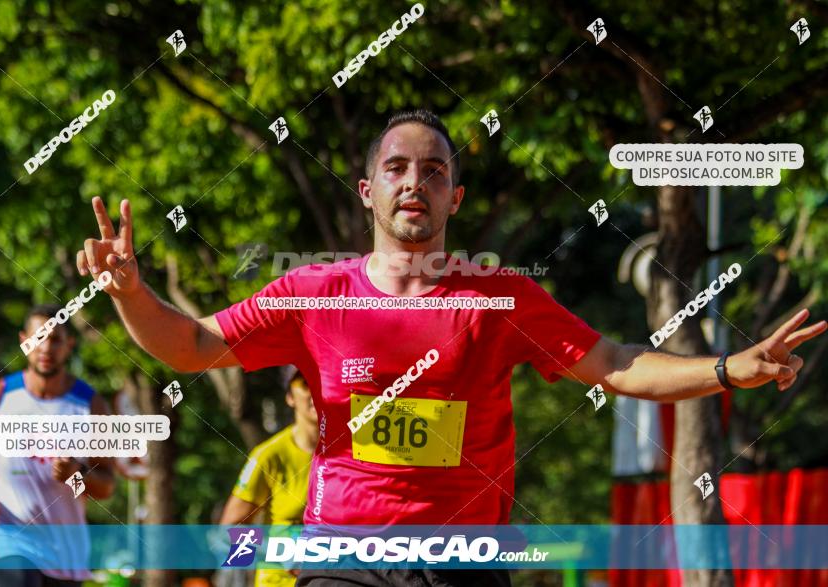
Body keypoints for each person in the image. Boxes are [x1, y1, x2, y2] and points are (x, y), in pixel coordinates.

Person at [74, 109, 826, 586]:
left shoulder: (500, 300)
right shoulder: (313, 294)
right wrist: (131, 292)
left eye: (434, 170)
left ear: (454, 199)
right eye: (396, 167)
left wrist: (728, 367)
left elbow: (616, 362)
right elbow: (192, 346)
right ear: (367, 190)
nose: (415, 181)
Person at [0, 304, 115, 586]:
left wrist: (77, 473)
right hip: (9, 533)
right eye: (38, 337)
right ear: (23, 340)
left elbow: (106, 486)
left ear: (69, 345)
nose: (45, 348)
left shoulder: (92, 407)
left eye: (55, 340)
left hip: (65, 549)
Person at [219, 366, 316, 587]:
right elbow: (227, 532)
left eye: (321, 382)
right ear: (290, 397)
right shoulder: (268, 456)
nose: (315, 391)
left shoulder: (351, 454)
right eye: (305, 384)